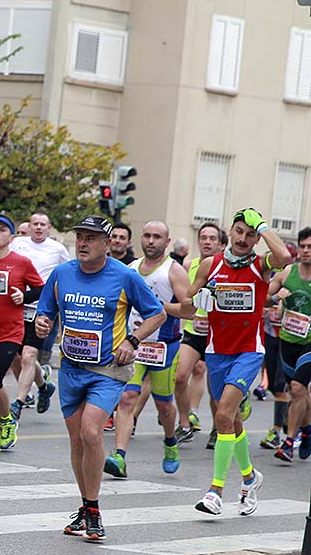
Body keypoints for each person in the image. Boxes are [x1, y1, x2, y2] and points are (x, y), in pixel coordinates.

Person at [33, 215, 165, 541]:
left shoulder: (124, 276)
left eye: (91, 238)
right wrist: (42, 323)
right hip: (72, 369)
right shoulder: (62, 274)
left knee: (92, 430)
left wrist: (132, 342)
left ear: (107, 244)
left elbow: (157, 313)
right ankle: (84, 505)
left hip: (107, 369)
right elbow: (45, 310)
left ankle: (93, 509)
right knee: (77, 440)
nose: (82, 243)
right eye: (80, 236)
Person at [177, 208, 290, 517]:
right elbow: (189, 304)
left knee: (224, 415)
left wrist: (263, 225)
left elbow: (283, 256)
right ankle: (251, 477)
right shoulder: (211, 265)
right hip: (216, 352)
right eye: (239, 231)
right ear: (231, 231)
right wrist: (187, 302)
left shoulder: (260, 265)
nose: (243, 239)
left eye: (250, 234)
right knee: (233, 421)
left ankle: (215, 491)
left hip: (249, 351)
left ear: (256, 239)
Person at [103, 221, 193, 478]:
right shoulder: (130, 269)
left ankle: (170, 441)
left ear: (167, 242)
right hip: (134, 343)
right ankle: (119, 456)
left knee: (164, 405)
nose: (151, 240)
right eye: (147, 235)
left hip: (164, 346)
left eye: (157, 237)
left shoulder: (173, 271)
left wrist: (160, 306)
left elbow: (189, 310)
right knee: (127, 398)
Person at [0, 214, 43, 452]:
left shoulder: (21, 262)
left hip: (10, 332)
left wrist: (23, 297)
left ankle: (8, 423)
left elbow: (41, 289)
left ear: (11, 237)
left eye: (1, 230)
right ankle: (2, 432)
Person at [9, 212, 68, 416]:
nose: (39, 228)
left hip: (42, 309)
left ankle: (18, 402)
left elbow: (67, 274)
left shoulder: (57, 249)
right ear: (30, 226)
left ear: (49, 227)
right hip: (17, 307)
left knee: (28, 355)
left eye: (43, 224)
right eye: (35, 224)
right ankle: (44, 384)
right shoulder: (18, 244)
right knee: (15, 356)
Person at [176, 222, 227, 443]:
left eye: (212, 238)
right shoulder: (189, 265)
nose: (207, 242)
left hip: (218, 335)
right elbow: (184, 298)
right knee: (179, 377)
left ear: (221, 244)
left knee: (215, 388)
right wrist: (192, 307)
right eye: (203, 237)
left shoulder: (226, 267)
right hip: (193, 331)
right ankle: (185, 423)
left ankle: (218, 428)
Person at [270, 228, 311, 461]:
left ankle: (288, 441)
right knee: (300, 392)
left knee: (297, 387)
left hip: (310, 344)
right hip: (287, 341)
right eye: (303, 246)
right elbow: (265, 296)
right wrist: (276, 300)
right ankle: (307, 431)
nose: (305, 251)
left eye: (310, 247)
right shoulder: (287, 273)